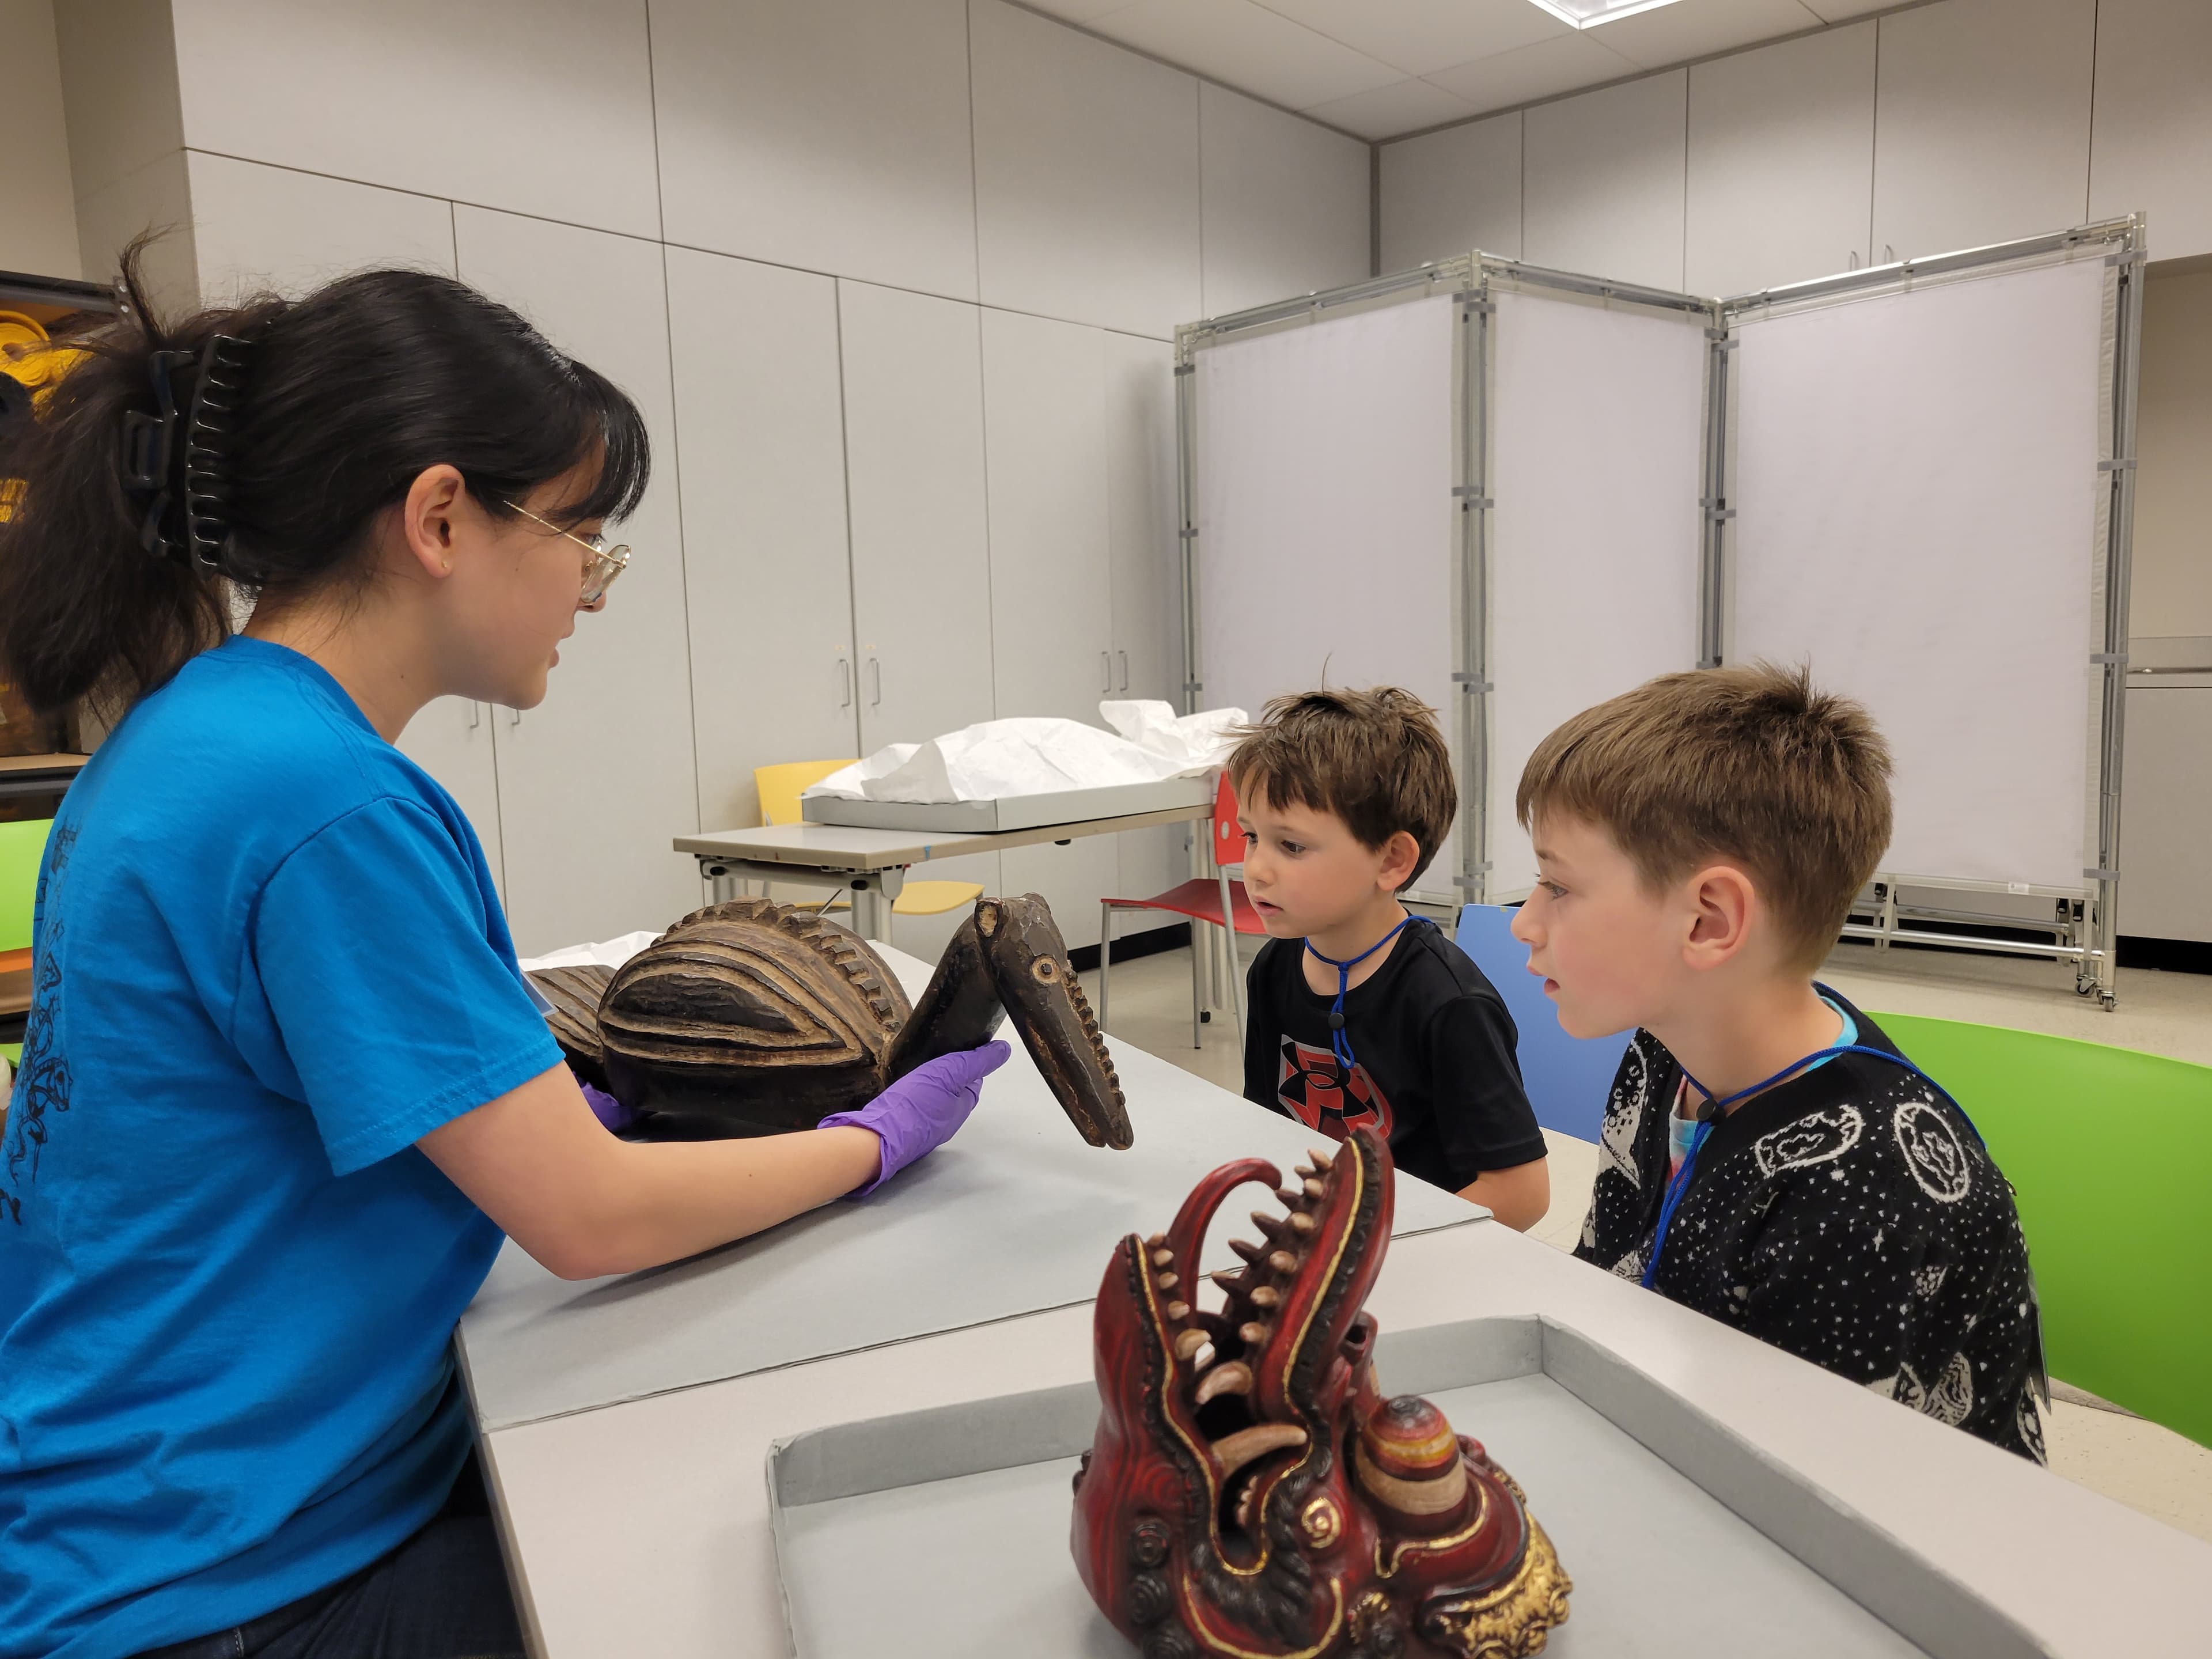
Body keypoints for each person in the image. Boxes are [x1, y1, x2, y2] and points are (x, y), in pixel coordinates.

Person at [0, 249, 1006, 1659]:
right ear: (438, 519)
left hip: (126, 1502)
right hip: (215, 1587)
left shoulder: (194, 735)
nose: (591, 588)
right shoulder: (323, 803)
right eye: (582, 534)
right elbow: (590, 1221)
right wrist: (871, 1142)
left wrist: (523, 1113)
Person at [1511, 662, 2045, 1461]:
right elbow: (1610, 1281)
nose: (1523, 923)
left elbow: (1806, 1486)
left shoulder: (1862, 1188)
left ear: (1709, 920)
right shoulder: (1664, 1050)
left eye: (1557, 886)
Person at [1230, 688, 1550, 1228]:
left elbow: (1522, 1194)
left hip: (1417, 1249)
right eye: (1251, 837)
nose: (1256, 869)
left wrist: (1367, 1235)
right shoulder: (1274, 967)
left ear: (1391, 861)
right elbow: (1268, 1126)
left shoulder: (1449, 1004)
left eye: (1291, 846)